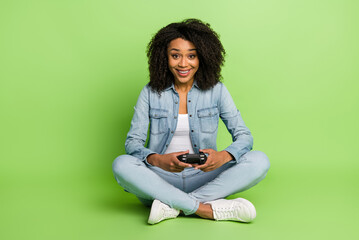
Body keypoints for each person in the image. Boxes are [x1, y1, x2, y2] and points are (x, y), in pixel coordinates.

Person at [112, 18, 270, 224]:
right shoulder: (150, 92)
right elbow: (133, 143)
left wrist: (223, 156)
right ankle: (205, 209)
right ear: (164, 57)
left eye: (191, 56)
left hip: (204, 178)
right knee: (121, 164)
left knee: (259, 160)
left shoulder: (217, 90)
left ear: (202, 57)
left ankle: (173, 206)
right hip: (159, 178)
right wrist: (160, 161)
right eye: (175, 55)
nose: (183, 64)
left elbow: (244, 136)